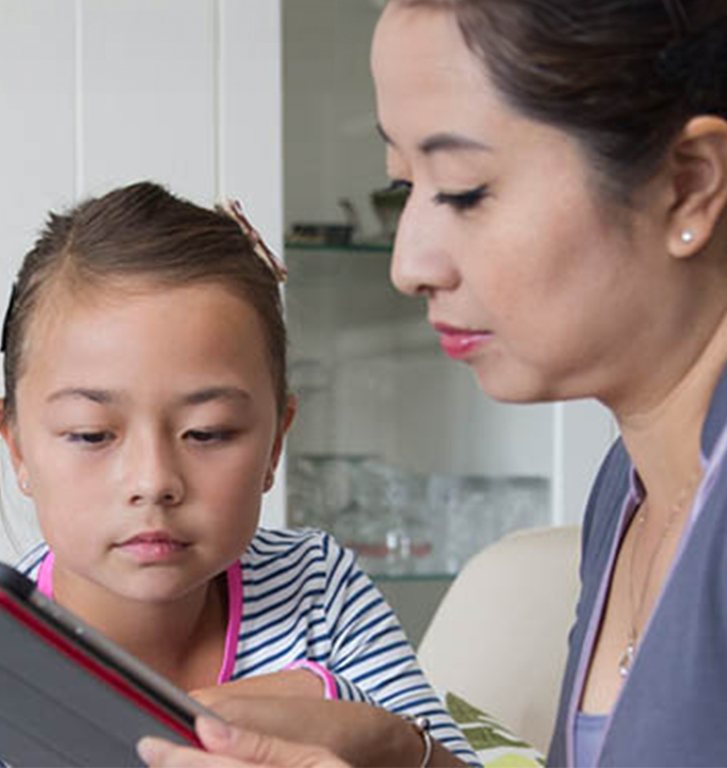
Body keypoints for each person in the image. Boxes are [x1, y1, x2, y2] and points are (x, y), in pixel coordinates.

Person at [142, 0, 727, 765]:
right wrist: (406, 755)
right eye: (405, 188)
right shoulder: (630, 488)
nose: (411, 265)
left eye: (465, 190)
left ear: (688, 184)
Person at [0, 181, 476, 768]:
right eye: (92, 434)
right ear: (17, 447)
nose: (153, 481)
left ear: (276, 442)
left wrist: (375, 733)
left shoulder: (315, 589)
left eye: (208, 433)